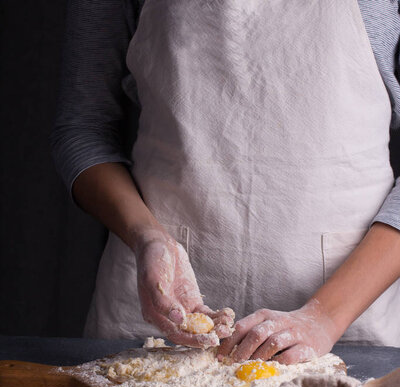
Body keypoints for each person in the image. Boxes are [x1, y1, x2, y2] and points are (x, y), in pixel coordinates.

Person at [52, 0, 400, 365]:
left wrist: (325, 316)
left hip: (349, 320)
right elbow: (83, 129)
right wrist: (146, 236)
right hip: (158, 323)